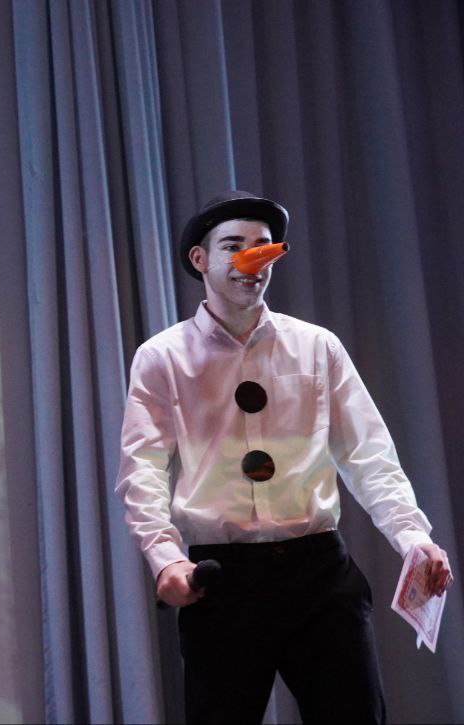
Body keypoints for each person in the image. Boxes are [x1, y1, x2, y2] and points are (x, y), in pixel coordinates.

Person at [114, 191, 454, 723]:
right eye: (233, 246)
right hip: (223, 580)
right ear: (200, 259)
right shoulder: (162, 358)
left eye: (263, 246)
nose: (251, 259)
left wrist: (413, 537)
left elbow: (369, 454)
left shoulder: (318, 346)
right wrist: (165, 556)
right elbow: (143, 466)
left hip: (319, 572)